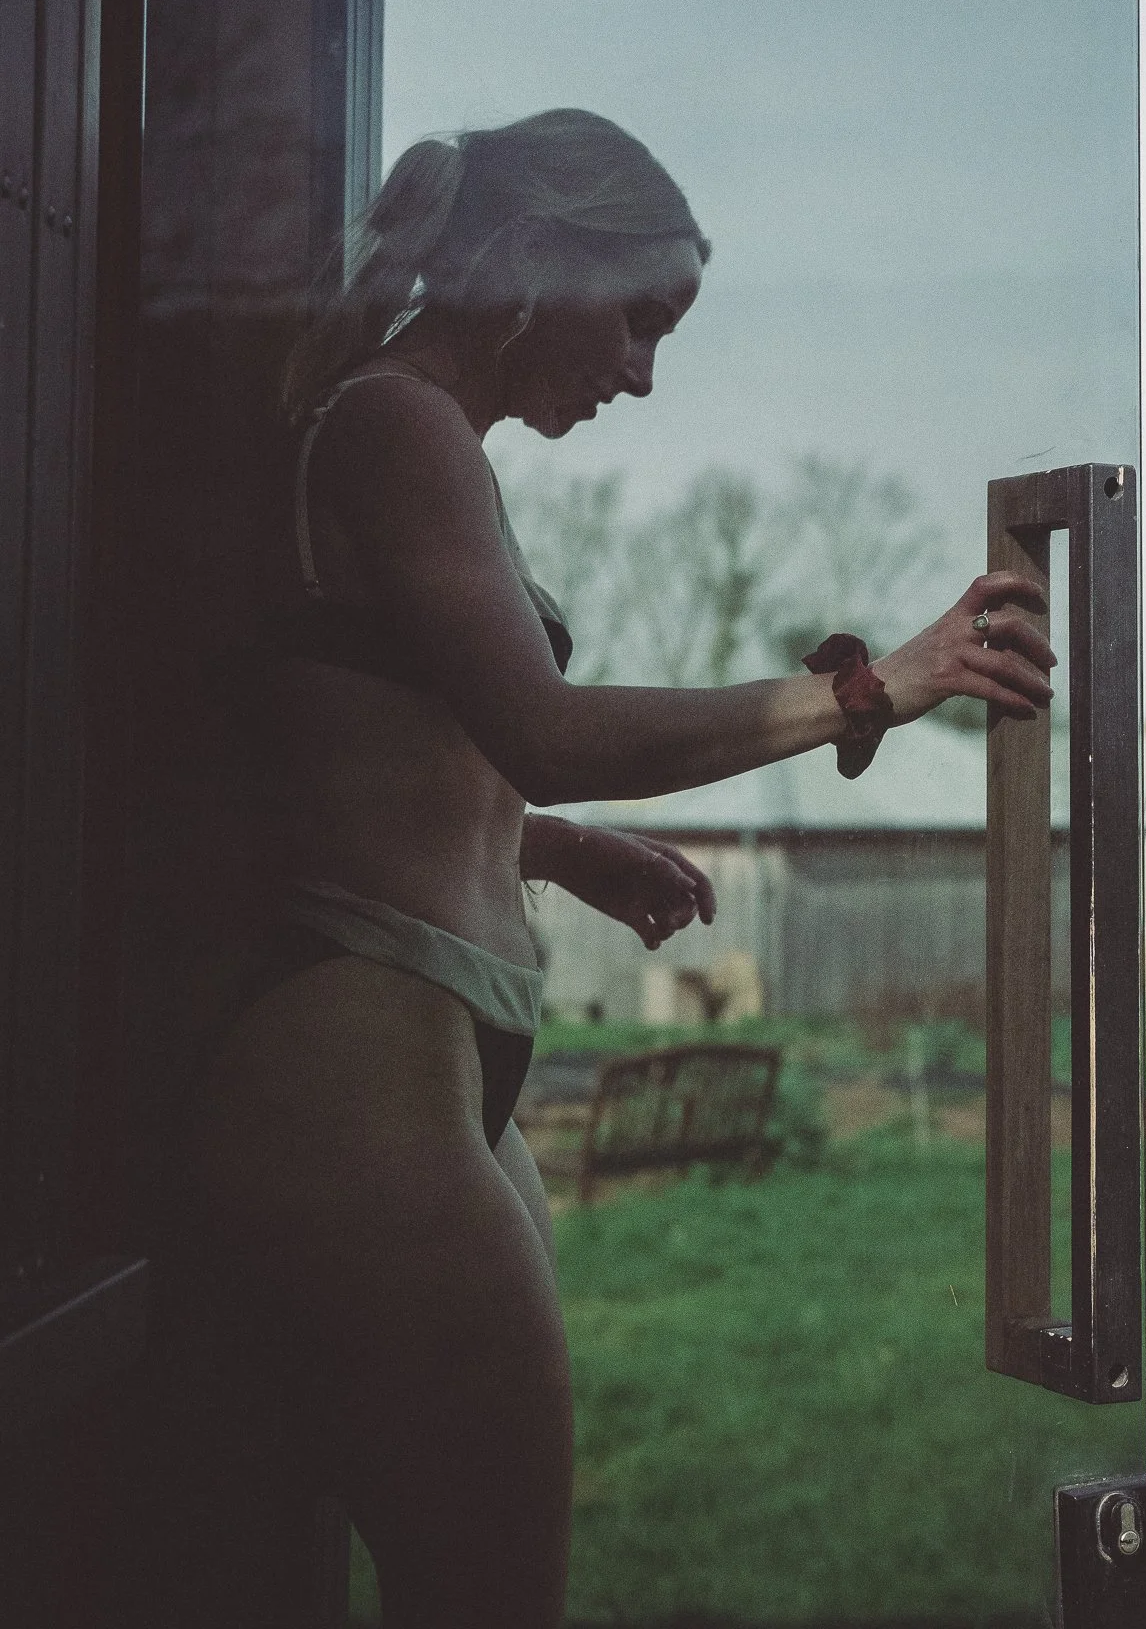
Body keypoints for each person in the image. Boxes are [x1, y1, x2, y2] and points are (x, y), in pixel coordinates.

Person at [186, 108, 1053, 1629]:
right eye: (638, 321)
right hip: (352, 1047)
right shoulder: (396, 419)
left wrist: (553, 846)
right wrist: (869, 689)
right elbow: (541, 723)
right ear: (536, 265)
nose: (641, 375)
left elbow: (371, 744)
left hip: (431, 1050)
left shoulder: (414, 434)